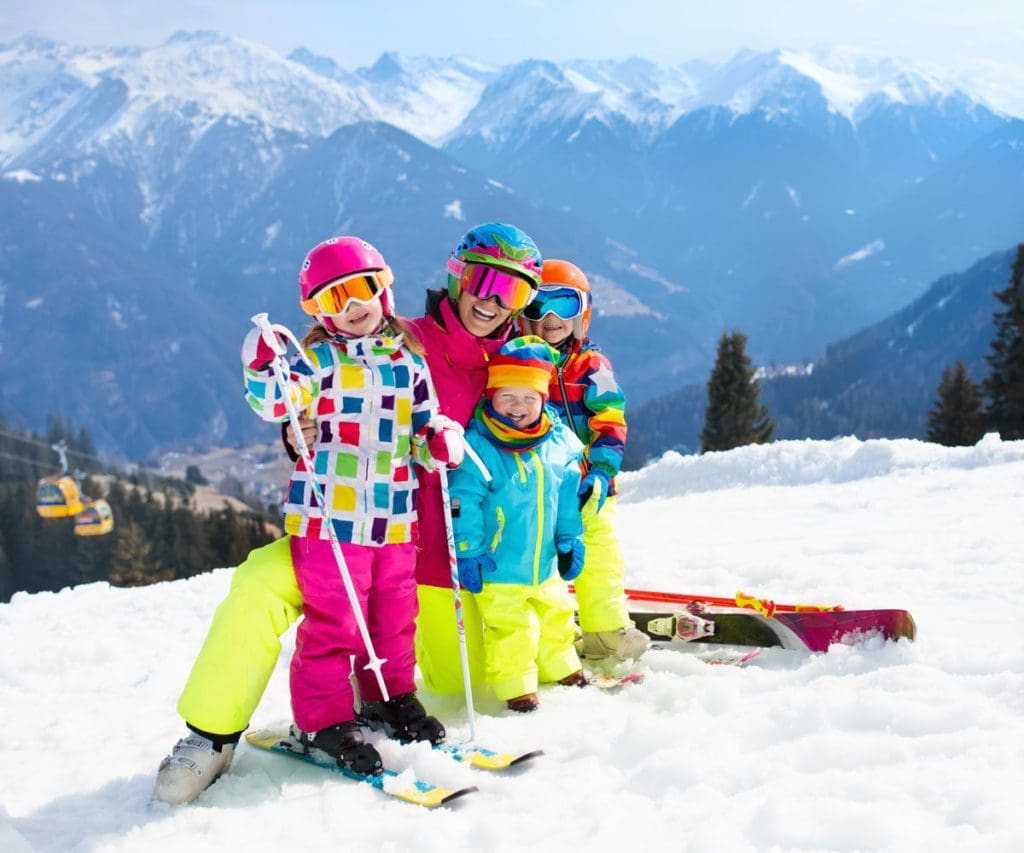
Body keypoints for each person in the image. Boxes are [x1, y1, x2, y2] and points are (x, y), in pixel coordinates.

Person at [153, 224, 542, 803]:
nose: (492, 299)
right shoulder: (404, 339)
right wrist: (291, 420)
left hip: (430, 546)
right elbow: (293, 397)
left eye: (512, 291)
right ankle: (225, 732)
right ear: (456, 275)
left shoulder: (524, 364)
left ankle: (386, 699)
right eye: (482, 280)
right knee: (285, 596)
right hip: (342, 522)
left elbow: (553, 451)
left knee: (397, 627)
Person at [448, 336, 588, 712]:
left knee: (557, 615)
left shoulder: (556, 443)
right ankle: (516, 685)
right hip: (500, 564)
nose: (518, 407)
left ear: (542, 401)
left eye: (529, 398)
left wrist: (570, 537)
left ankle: (560, 665)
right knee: (512, 628)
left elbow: (567, 497)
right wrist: (470, 551)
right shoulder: (480, 446)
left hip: (544, 563)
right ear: (490, 397)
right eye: (508, 396)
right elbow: (464, 500)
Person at [520, 260, 650, 661]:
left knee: (599, 557)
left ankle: (606, 632)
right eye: (538, 306)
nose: (551, 317)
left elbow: (610, 421)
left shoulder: (592, 366)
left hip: (587, 487)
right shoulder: (518, 362)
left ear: (582, 313)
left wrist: (601, 471)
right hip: (538, 489)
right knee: (542, 565)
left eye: (564, 303)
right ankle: (551, 638)